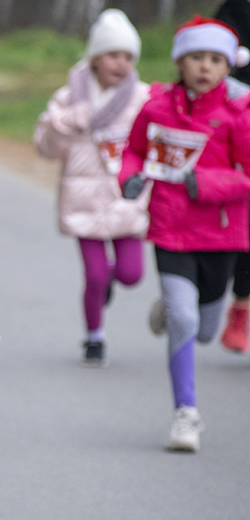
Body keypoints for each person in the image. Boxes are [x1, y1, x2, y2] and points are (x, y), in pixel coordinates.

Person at [119, 15, 250, 452]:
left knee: (206, 330)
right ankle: (185, 414)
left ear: (229, 65)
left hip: (222, 235)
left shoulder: (239, 112)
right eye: (196, 56)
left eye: (215, 59)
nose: (205, 66)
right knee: (187, 319)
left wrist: (205, 183)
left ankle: (175, 308)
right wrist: (130, 177)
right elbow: (135, 151)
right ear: (180, 60)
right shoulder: (157, 107)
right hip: (171, 229)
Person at [33, 9, 150, 367]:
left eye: (128, 56)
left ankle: (109, 285)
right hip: (82, 200)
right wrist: (65, 123)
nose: (121, 63)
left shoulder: (142, 98)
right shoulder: (69, 98)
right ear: (96, 57)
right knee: (95, 275)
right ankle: (94, 337)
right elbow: (45, 147)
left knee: (131, 274)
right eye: (114, 54)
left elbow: (153, 141)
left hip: (125, 198)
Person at [214, 0, 250, 353]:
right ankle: (196, 293)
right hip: (234, 129)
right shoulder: (235, 9)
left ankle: (241, 309)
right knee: (239, 231)